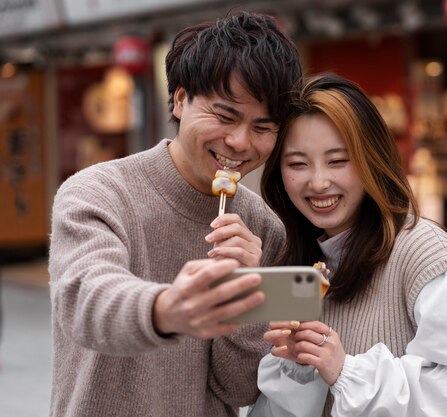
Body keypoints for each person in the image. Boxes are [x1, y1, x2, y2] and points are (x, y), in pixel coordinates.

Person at [48, 12, 301, 417]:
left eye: (262, 127)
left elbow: (239, 388)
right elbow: (84, 304)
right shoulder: (97, 193)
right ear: (181, 100)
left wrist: (252, 296)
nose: (239, 142)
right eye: (225, 116)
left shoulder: (263, 229)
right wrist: (168, 308)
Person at [248, 73, 447, 417]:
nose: (318, 182)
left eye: (338, 160)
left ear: (372, 160)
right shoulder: (303, 260)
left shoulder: (426, 256)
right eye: (297, 164)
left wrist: (344, 370)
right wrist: (300, 367)